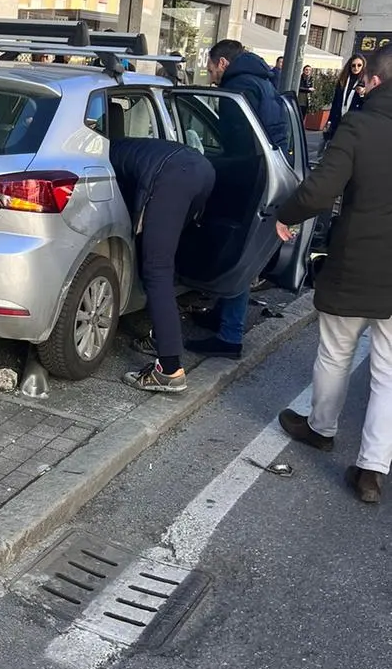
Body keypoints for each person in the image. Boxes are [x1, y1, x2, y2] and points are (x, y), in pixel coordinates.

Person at [274, 44, 392, 505]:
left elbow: (320, 190)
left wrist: (286, 214)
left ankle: (321, 428)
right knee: (388, 375)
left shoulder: (361, 126)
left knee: (336, 352)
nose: (359, 87)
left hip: (356, 263)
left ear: (376, 82)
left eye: (363, 82)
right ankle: (371, 471)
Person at [187, 39, 289, 361]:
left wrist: (212, 167)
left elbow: (238, 146)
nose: (210, 73)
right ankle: (223, 316)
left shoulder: (237, 91)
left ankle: (230, 335)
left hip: (249, 181)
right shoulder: (263, 82)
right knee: (242, 252)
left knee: (237, 250)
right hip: (269, 177)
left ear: (223, 64)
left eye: (211, 66)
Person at [114, 125, 216, 394]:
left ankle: (169, 370)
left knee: (156, 269)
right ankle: (161, 338)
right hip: (201, 169)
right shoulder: (130, 143)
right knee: (164, 261)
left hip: (171, 177)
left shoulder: (103, 157)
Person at [325, 53, 365, 139]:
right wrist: (329, 120)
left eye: (359, 65)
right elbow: (335, 102)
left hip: (354, 121)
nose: (356, 68)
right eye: (353, 65)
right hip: (338, 118)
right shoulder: (343, 80)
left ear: (363, 66)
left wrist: (362, 94)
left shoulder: (365, 82)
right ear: (349, 66)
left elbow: (367, 104)